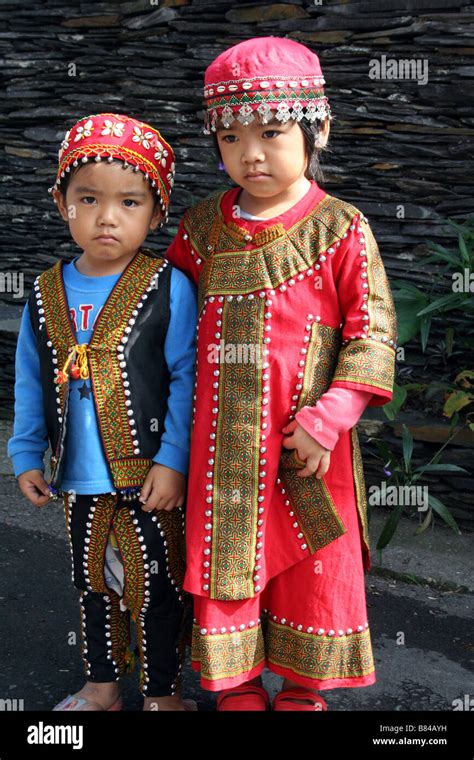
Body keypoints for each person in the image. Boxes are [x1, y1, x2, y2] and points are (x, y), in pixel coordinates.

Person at [164, 37, 398, 711]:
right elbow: (172, 327)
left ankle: (302, 690)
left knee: (315, 571)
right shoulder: (203, 227)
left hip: (307, 450)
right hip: (221, 449)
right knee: (224, 563)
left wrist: (331, 417)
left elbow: (373, 332)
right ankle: (235, 687)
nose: (251, 153)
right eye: (231, 137)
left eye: (271, 132)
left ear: (317, 127)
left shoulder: (342, 228)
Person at [7, 113, 198, 712]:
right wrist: (24, 453)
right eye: (87, 198)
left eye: (129, 202)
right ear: (62, 203)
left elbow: (187, 380)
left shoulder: (168, 286)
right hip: (77, 477)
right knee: (93, 585)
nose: (107, 217)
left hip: (148, 475)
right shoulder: (44, 290)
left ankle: (164, 694)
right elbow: (31, 378)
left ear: (156, 213)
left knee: (155, 586)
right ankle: (102, 687)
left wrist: (173, 462)